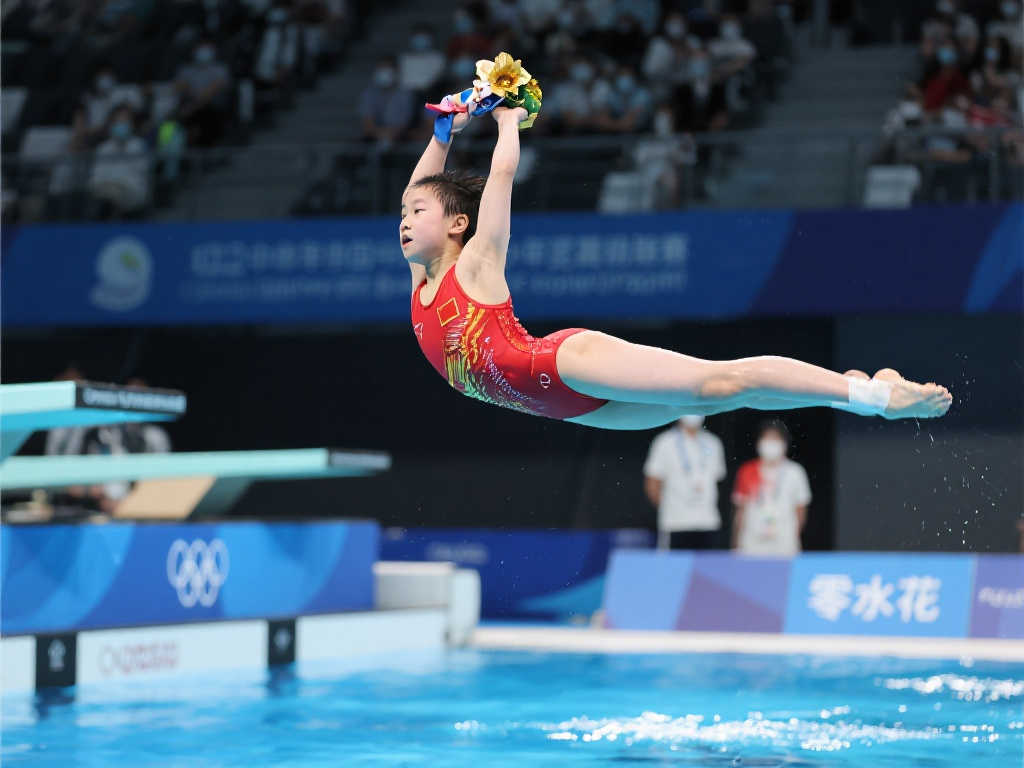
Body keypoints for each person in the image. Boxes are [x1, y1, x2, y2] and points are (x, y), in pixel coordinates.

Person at [403, 55, 952, 431]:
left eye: (418, 212)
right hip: (566, 408)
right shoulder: (421, 281)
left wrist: (507, 119)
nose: (404, 220)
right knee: (719, 397)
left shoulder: (474, 266)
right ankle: (849, 384)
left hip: (562, 365)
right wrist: (441, 135)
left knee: (720, 379)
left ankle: (880, 399)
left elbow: (500, 180)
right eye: (404, 213)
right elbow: (416, 189)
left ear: (458, 226)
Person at [643, 415, 726, 550]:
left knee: (706, 569)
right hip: (675, 522)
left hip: (707, 521)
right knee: (672, 568)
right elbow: (652, 482)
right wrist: (667, 509)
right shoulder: (664, 442)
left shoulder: (713, 443)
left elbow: (717, 479)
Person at [731, 420, 810, 556]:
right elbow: (740, 511)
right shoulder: (747, 470)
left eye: (775, 439)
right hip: (752, 543)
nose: (770, 444)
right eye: (767, 439)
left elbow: (801, 509)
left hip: (784, 543)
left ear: (784, 444)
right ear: (759, 443)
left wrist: (793, 536)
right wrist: (736, 542)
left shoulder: (795, 472)